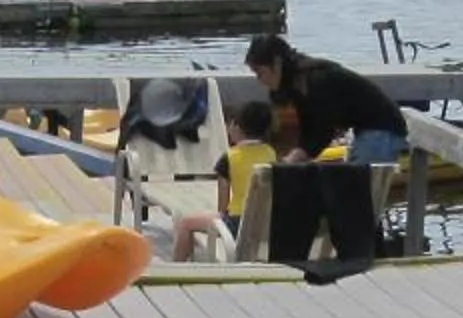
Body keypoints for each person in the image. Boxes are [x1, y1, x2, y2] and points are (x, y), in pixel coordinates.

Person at [246, 33, 408, 164]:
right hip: (365, 130)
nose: (260, 80)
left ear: (277, 63)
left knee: (360, 190)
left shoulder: (315, 78)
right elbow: (308, 126)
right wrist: (299, 154)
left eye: (260, 73)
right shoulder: (297, 82)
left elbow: (323, 129)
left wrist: (297, 156)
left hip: (382, 129)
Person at [158, 96, 275, 262]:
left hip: (236, 223)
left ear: (236, 126)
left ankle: (178, 267)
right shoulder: (271, 153)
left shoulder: (229, 158)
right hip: (266, 222)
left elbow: (223, 203)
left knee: (185, 223)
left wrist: (222, 215)